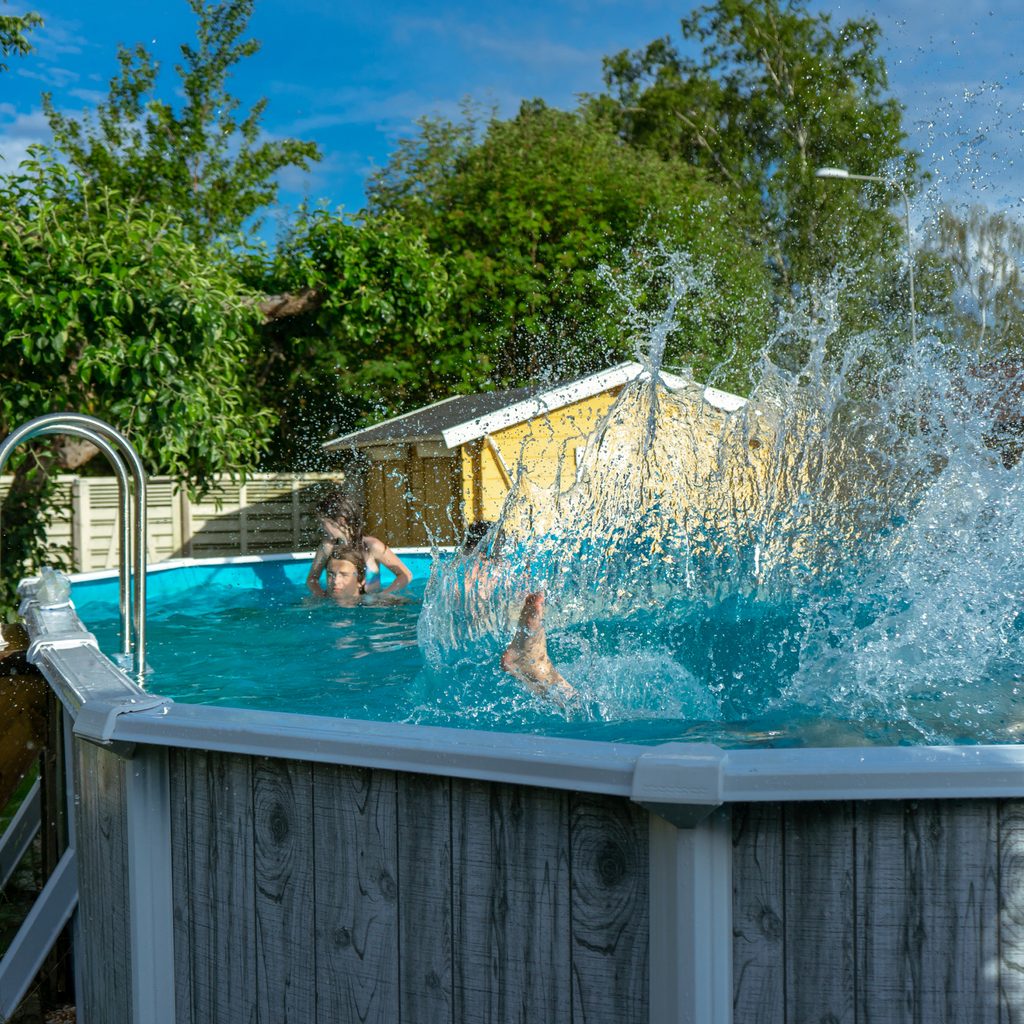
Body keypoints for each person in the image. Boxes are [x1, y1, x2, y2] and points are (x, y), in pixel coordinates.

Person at [462, 521, 575, 704]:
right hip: (501, 632)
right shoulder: (495, 576)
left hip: (471, 646)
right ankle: (529, 655)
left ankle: (526, 655)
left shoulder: (455, 582)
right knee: (569, 698)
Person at [307, 488, 412, 598]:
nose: (321, 528)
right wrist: (322, 597)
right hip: (339, 605)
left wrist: (382, 595)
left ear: (341, 521)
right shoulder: (327, 546)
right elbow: (312, 579)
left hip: (370, 607)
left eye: (324, 523)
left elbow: (405, 575)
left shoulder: (372, 546)